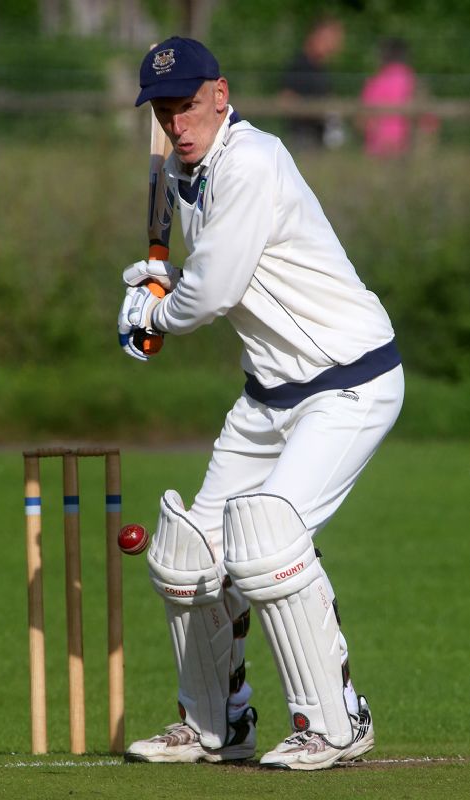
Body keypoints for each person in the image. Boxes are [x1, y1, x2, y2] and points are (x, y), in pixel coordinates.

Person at [117, 36, 404, 770]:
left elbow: (212, 291)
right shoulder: (194, 173)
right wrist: (158, 279)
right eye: (164, 110)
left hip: (347, 381)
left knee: (267, 546)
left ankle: (337, 723)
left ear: (220, 92)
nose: (177, 121)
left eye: (187, 103)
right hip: (268, 395)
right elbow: (212, 269)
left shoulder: (251, 160)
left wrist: (155, 313)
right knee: (188, 557)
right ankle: (217, 724)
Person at [360, 37, 439, 157]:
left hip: (380, 149)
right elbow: (431, 123)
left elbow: (364, 120)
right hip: (410, 150)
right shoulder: (416, 83)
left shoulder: (375, 83)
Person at [281, 17, 345, 149]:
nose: (334, 46)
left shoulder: (320, 68)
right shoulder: (301, 65)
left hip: (317, 138)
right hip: (303, 138)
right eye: (330, 39)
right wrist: (317, 110)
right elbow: (286, 99)